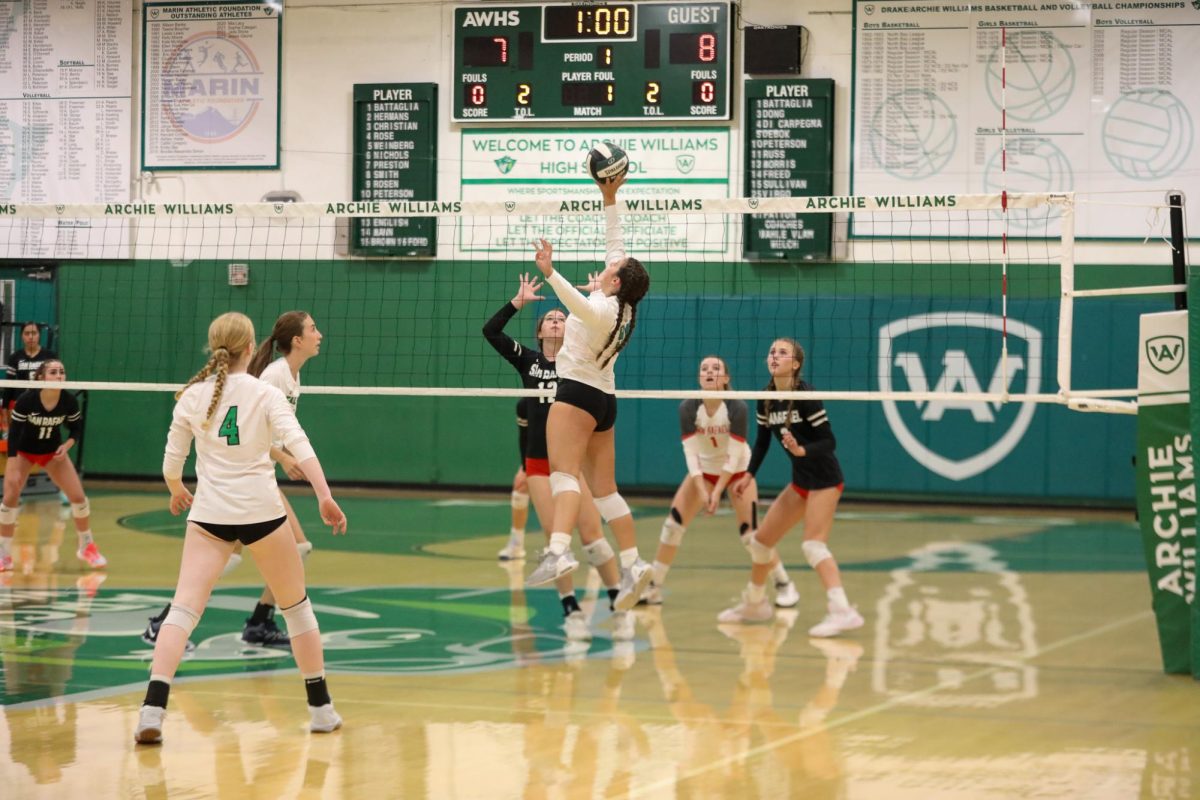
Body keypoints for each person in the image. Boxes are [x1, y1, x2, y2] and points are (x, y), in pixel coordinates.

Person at [135, 311, 347, 745]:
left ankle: (151, 711)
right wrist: (324, 495)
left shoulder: (192, 396)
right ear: (251, 348)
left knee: (183, 611)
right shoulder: (264, 392)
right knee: (297, 608)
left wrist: (176, 490)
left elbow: (171, 462)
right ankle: (321, 709)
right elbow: (300, 444)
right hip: (263, 515)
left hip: (210, 517)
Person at [141, 311, 323, 650]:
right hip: (246, 481)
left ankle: (257, 621)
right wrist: (283, 457)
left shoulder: (289, 377)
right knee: (281, 551)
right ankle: (170, 622)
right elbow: (242, 428)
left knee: (290, 550)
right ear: (296, 340)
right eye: (313, 329)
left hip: (254, 478)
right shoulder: (273, 378)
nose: (319, 335)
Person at [483, 281, 632, 641]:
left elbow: (609, 330)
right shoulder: (528, 360)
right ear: (539, 331)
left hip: (572, 463)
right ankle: (571, 609)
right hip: (538, 463)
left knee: (593, 536)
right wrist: (516, 302)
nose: (554, 322)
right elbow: (491, 331)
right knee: (555, 542)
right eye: (548, 319)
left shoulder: (581, 361)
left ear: (570, 328)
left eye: (560, 318)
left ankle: (619, 603)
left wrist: (601, 295)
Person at [530, 171, 651, 612]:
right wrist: (609, 197)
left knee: (563, 475)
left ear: (617, 282)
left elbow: (579, 306)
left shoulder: (600, 306)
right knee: (605, 491)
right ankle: (635, 563)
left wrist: (550, 272)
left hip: (577, 393)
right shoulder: (625, 307)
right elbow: (614, 242)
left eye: (611, 270)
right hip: (605, 401)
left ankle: (559, 549)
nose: (606, 266)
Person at [719, 338, 863, 637]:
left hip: (825, 479)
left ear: (795, 364)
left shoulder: (806, 395)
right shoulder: (766, 397)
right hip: (801, 481)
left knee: (812, 545)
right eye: (771, 351)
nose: (774, 356)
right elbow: (761, 441)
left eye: (782, 353)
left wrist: (802, 451)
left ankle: (842, 611)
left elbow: (829, 441)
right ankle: (755, 603)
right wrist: (748, 475)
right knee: (760, 543)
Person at [641, 355, 799, 608]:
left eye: (716, 368)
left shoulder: (737, 407)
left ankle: (783, 583)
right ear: (699, 377)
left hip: (737, 470)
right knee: (672, 526)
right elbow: (690, 452)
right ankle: (654, 587)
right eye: (704, 368)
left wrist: (715, 494)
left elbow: (735, 454)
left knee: (752, 536)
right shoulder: (688, 407)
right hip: (703, 470)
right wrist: (702, 488)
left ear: (725, 378)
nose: (709, 372)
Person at [0, 360, 105, 572]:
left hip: (52, 454)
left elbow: (75, 428)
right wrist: (12, 462)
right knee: (10, 497)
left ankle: (86, 546)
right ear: (41, 378)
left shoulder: (68, 401)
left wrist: (67, 445)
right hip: (24, 453)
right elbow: (15, 433)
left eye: (62, 372)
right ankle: (4, 553)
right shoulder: (27, 400)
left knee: (79, 498)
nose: (59, 376)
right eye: (53, 372)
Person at [2, 322, 58, 430]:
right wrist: (4, 409)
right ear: (22, 336)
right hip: (19, 403)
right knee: (18, 438)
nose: (30, 337)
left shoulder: (49, 356)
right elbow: (8, 385)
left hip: (43, 404)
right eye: (26, 333)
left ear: (39, 335)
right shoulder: (15, 357)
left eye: (34, 333)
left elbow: (56, 384)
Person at [496, 399, 531, 561]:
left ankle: (594, 546)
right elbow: (524, 438)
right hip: (539, 452)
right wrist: (525, 468)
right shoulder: (526, 405)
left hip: (567, 452)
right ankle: (516, 545)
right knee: (520, 486)